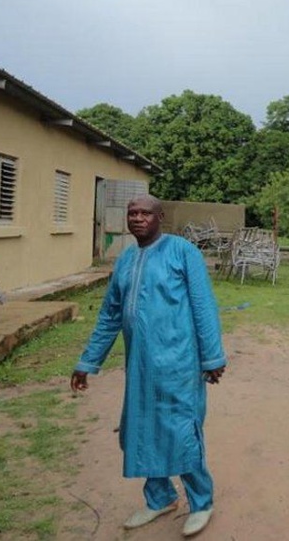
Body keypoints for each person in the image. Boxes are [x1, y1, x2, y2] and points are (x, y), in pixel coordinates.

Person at [70, 194, 227, 537]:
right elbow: (110, 315)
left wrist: (212, 357)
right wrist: (88, 361)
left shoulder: (182, 252)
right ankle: (160, 497)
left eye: (145, 213)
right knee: (143, 429)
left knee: (181, 431)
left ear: (160, 217)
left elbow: (203, 306)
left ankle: (201, 502)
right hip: (140, 364)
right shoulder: (126, 260)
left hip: (179, 362)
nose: (138, 218)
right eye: (133, 213)